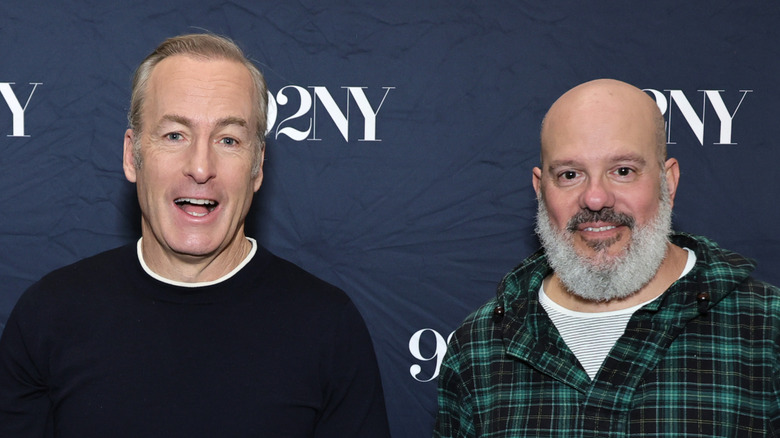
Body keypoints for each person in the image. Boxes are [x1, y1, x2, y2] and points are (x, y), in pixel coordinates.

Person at [0, 34, 390, 438]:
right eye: (174, 135)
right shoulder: (49, 314)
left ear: (257, 167)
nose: (201, 167)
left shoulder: (328, 326)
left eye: (228, 140)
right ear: (132, 155)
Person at [433, 79, 780, 437]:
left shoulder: (766, 329)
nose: (596, 199)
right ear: (540, 191)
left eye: (623, 171)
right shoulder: (480, 345)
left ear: (668, 183)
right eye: (570, 174)